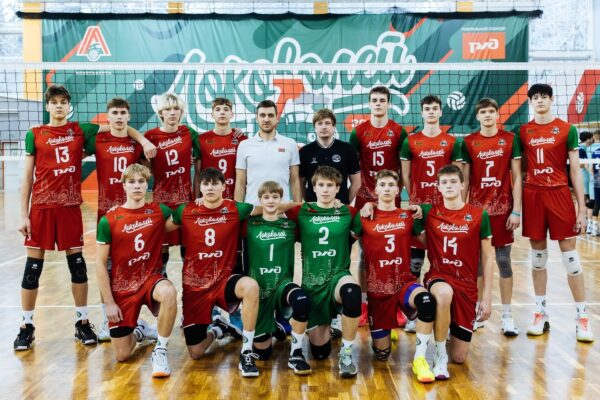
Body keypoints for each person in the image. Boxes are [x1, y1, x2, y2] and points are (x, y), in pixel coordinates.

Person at [14, 85, 154, 351]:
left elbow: (121, 128)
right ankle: (26, 326)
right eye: (54, 102)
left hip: (69, 207)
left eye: (63, 102)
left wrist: (143, 140)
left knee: (77, 267)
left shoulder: (79, 130)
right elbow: (27, 177)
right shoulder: (35, 134)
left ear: (69, 107)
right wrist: (23, 214)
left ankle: (82, 322)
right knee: (33, 269)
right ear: (47, 106)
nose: (58, 106)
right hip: (41, 207)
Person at [168, 168, 264, 377]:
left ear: (223, 186)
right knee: (196, 352)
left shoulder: (235, 208)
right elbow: (161, 227)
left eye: (214, 183)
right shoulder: (185, 210)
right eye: (206, 184)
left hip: (223, 280)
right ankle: (218, 328)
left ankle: (247, 351)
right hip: (195, 288)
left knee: (250, 287)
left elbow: (267, 207)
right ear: (200, 187)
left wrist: (307, 205)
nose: (210, 188)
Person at [517, 83, 593, 342]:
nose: (539, 101)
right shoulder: (523, 131)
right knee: (538, 258)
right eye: (535, 98)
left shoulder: (567, 129)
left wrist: (581, 209)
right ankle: (540, 313)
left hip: (560, 194)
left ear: (551, 99)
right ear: (530, 102)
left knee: (571, 258)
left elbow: (575, 171)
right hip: (534, 196)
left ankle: (582, 317)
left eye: (543, 97)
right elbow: (520, 170)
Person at [352, 170, 436, 383]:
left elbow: (429, 236)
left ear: (398, 190)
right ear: (376, 190)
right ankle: (387, 329)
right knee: (382, 355)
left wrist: (421, 208)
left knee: (426, 301)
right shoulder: (364, 216)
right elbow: (345, 239)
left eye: (391, 185)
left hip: (403, 284)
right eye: (383, 185)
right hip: (378, 291)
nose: (387, 189)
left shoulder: (407, 216)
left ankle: (420, 359)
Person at [96, 164, 178, 378]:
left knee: (169, 292)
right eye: (131, 182)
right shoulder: (109, 220)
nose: (137, 186)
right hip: (123, 287)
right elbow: (100, 263)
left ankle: (160, 350)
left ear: (147, 185)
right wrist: (109, 302)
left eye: (141, 181)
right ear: (123, 186)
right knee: (122, 355)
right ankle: (140, 330)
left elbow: (184, 216)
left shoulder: (159, 211)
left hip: (150, 279)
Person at [416, 164, 493, 380]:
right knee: (443, 294)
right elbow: (395, 213)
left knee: (459, 357)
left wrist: (487, 298)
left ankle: (447, 328)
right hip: (438, 276)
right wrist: (368, 207)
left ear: (462, 185)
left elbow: (488, 258)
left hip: (466, 285)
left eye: (453, 182)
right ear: (438, 187)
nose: (448, 186)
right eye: (444, 182)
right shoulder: (428, 211)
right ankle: (440, 355)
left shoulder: (478, 215)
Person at [285, 166, 362, 378]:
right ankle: (326, 326)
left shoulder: (348, 212)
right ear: (313, 188)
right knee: (320, 352)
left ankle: (347, 354)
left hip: (338, 276)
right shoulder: (301, 211)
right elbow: (272, 207)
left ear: (338, 189)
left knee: (352, 293)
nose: (326, 189)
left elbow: (364, 226)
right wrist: (295, 203)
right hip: (312, 284)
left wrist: (369, 206)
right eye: (321, 185)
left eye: (330, 185)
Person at [399, 94, 463, 332]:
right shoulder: (411, 141)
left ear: (441, 112)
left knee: (445, 260)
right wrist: (415, 198)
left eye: (435, 108)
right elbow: (405, 175)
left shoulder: (451, 141)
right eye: (427, 108)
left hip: (443, 210)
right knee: (414, 263)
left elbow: (457, 176)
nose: (431, 112)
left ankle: (448, 312)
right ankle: (415, 312)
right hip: (419, 208)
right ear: (422, 112)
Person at [461, 97, 522, 336]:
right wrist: (462, 212)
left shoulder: (510, 139)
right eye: (483, 112)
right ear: (477, 116)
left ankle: (507, 315)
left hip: (502, 211)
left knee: (503, 261)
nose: (487, 115)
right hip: (477, 212)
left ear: (498, 114)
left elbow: (517, 176)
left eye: (491, 111)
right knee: (477, 264)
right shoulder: (468, 142)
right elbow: (465, 180)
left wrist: (516, 210)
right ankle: (478, 311)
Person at [349, 86, 408, 328]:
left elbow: (404, 167)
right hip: (365, 200)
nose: (378, 104)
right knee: (366, 254)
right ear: (369, 103)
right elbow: (353, 168)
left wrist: (397, 190)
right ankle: (364, 303)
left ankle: (397, 304)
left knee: (394, 254)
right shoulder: (359, 132)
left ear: (388, 103)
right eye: (374, 100)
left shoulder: (398, 131)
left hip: (390, 199)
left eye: (382, 100)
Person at [91, 98, 144, 341]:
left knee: (131, 268)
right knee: (108, 267)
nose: (120, 117)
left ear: (128, 116)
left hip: (131, 215)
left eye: (123, 113)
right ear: (108, 116)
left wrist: (142, 139)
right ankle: (107, 319)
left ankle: (135, 320)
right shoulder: (98, 139)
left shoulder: (135, 144)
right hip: (106, 214)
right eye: (115, 113)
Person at [246, 181, 312, 375]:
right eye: (266, 197)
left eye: (275, 197)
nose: (271, 201)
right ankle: (273, 326)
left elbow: (307, 210)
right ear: (260, 200)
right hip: (259, 290)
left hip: (282, 285)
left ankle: (296, 354)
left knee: (302, 300)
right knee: (263, 354)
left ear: (281, 200)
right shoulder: (250, 225)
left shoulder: (290, 225)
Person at [144, 92, 201, 277]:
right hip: (162, 201)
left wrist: (197, 197)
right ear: (161, 112)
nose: (172, 112)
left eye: (176, 108)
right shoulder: (150, 136)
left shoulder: (189, 133)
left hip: (185, 200)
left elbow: (202, 159)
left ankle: (191, 288)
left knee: (188, 250)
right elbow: (145, 168)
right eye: (168, 109)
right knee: (162, 251)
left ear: (182, 112)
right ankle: (161, 285)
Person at [235, 99, 301, 205]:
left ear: (276, 118)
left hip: (282, 208)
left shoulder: (290, 144)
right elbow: (240, 182)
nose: (266, 119)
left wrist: (298, 208)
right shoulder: (244, 145)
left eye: (270, 115)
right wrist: (238, 209)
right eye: (262, 115)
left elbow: (295, 181)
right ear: (257, 118)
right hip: (253, 208)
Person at [300, 108, 361, 204]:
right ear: (314, 127)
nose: (324, 127)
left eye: (327, 123)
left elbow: (356, 183)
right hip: (314, 208)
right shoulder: (305, 152)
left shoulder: (348, 149)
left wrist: (345, 203)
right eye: (320, 123)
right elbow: (300, 184)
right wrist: (310, 203)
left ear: (334, 126)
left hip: (339, 207)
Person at [578, 131, 594, 234]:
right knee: (586, 201)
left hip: (584, 177)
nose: (593, 140)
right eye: (591, 138)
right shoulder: (581, 149)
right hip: (584, 177)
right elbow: (581, 164)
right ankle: (583, 224)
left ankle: (585, 224)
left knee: (586, 201)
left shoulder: (584, 148)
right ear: (588, 139)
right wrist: (591, 171)